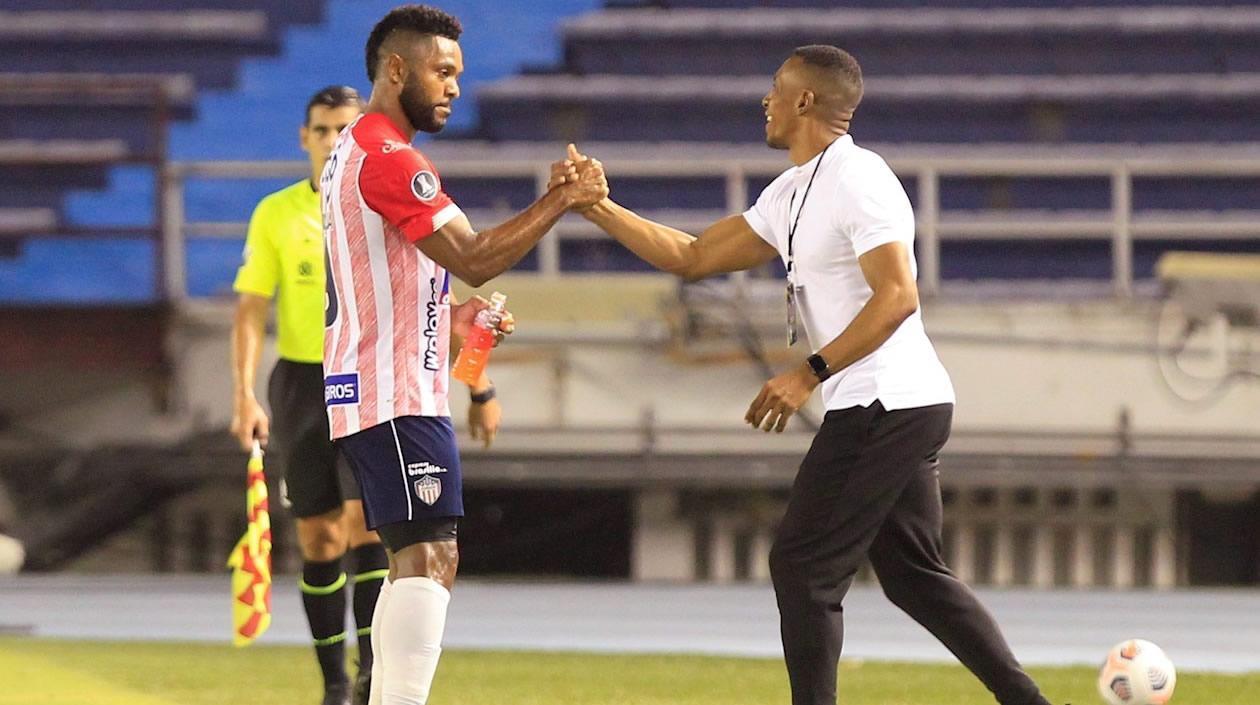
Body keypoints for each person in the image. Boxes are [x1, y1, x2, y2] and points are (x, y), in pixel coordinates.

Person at [554, 46, 1054, 705]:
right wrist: (598, 207)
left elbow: (899, 295)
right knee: (913, 577)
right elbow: (696, 255)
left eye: (775, 89)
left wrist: (809, 371)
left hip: (886, 400)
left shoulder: (860, 178)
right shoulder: (791, 190)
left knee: (803, 566)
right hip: (898, 401)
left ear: (805, 102)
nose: (765, 101)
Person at [320, 6, 606, 705]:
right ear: (396, 70)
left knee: (411, 561)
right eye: (441, 71)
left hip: (379, 387)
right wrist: (560, 199)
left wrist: (457, 317)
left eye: (457, 74)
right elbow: (476, 256)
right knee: (432, 555)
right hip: (393, 395)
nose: (453, 87)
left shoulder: (358, 153)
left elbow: (395, 280)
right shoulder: (390, 158)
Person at [230, 85, 503, 705]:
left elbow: (426, 301)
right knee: (320, 538)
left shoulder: (377, 194)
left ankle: (367, 681)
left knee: (370, 530)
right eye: (322, 131)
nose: (333, 142)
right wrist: (244, 393)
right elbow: (250, 310)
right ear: (305, 137)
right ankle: (334, 684)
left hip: (369, 381)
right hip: (303, 381)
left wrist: (479, 382)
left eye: (342, 131)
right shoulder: (279, 212)